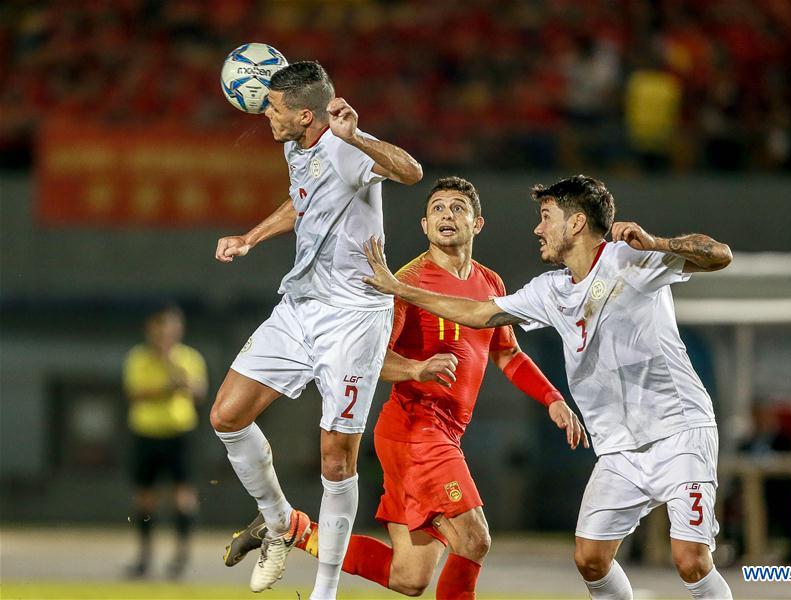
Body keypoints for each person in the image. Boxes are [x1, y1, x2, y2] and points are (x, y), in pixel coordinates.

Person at [362, 174, 735, 599]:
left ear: (575, 223)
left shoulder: (630, 260)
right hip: (619, 449)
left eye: (545, 217)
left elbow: (718, 255)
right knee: (590, 558)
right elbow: (479, 315)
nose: (538, 228)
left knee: (691, 560)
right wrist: (401, 291)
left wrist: (659, 244)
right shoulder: (549, 290)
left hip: (679, 433)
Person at [223, 176, 588, 599]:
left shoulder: (490, 283)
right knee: (474, 539)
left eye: (457, 208)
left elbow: (507, 353)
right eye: (437, 208)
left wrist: (552, 398)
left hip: (444, 433)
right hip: (416, 430)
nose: (447, 215)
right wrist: (415, 369)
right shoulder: (403, 284)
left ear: (477, 223)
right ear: (424, 225)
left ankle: (293, 529)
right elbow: (366, 358)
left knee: (409, 577)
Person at [210, 60, 422, 598]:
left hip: (353, 318)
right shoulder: (295, 147)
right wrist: (250, 238)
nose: (266, 115)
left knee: (336, 457)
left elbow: (411, 172)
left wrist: (358, 137)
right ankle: (279, 522)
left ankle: (325, 592)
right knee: (227, 416)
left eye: (274, 108)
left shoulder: (348, 148)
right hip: (301, 305)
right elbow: (302, 202)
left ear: (305, 115)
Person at [123, 304, 207, 579]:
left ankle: (181, 557)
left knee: (183, 496)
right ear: (151, 329)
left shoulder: (188, 358)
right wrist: (165, 389)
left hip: (179, 433)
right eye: (160, 327)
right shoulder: (138, 358)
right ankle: (144, 557)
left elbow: (199, 392)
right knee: (145, 498)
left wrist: (178, 375)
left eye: (171, 327)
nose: (165, 333)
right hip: (146, 433)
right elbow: (135, 393)